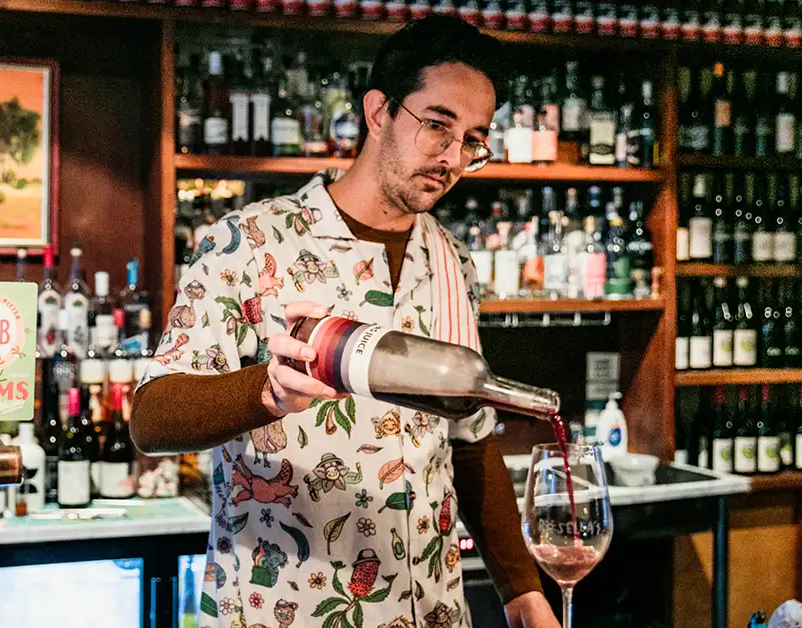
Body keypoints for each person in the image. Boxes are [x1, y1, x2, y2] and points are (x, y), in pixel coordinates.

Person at [132, 16, 558, 628]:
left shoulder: (451, 260)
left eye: (471, 140)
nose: (452, 157)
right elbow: (152, 416)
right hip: (287, 612)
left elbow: (468, 441)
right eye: (437, 125)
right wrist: (266, 390)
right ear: (378, 111)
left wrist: (523, 591)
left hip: (433, 612)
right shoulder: (250, 241)